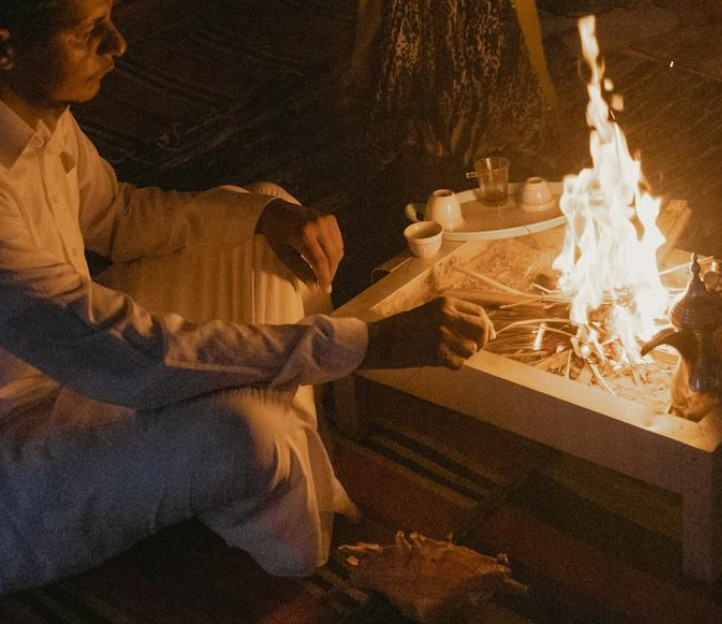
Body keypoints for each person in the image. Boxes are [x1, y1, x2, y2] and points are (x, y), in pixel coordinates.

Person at [0, 0, 494, 593]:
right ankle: (302, 536)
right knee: (246, 431)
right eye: (87, 33)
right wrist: (368, 343)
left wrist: (262, 216)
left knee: (270, 226)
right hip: (21, 457)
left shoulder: (37, 114)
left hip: (84, 361)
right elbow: (128, 357)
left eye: (111, 17)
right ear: (5, 48)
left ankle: (280, 462)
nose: (118, 43)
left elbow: (115, 216)